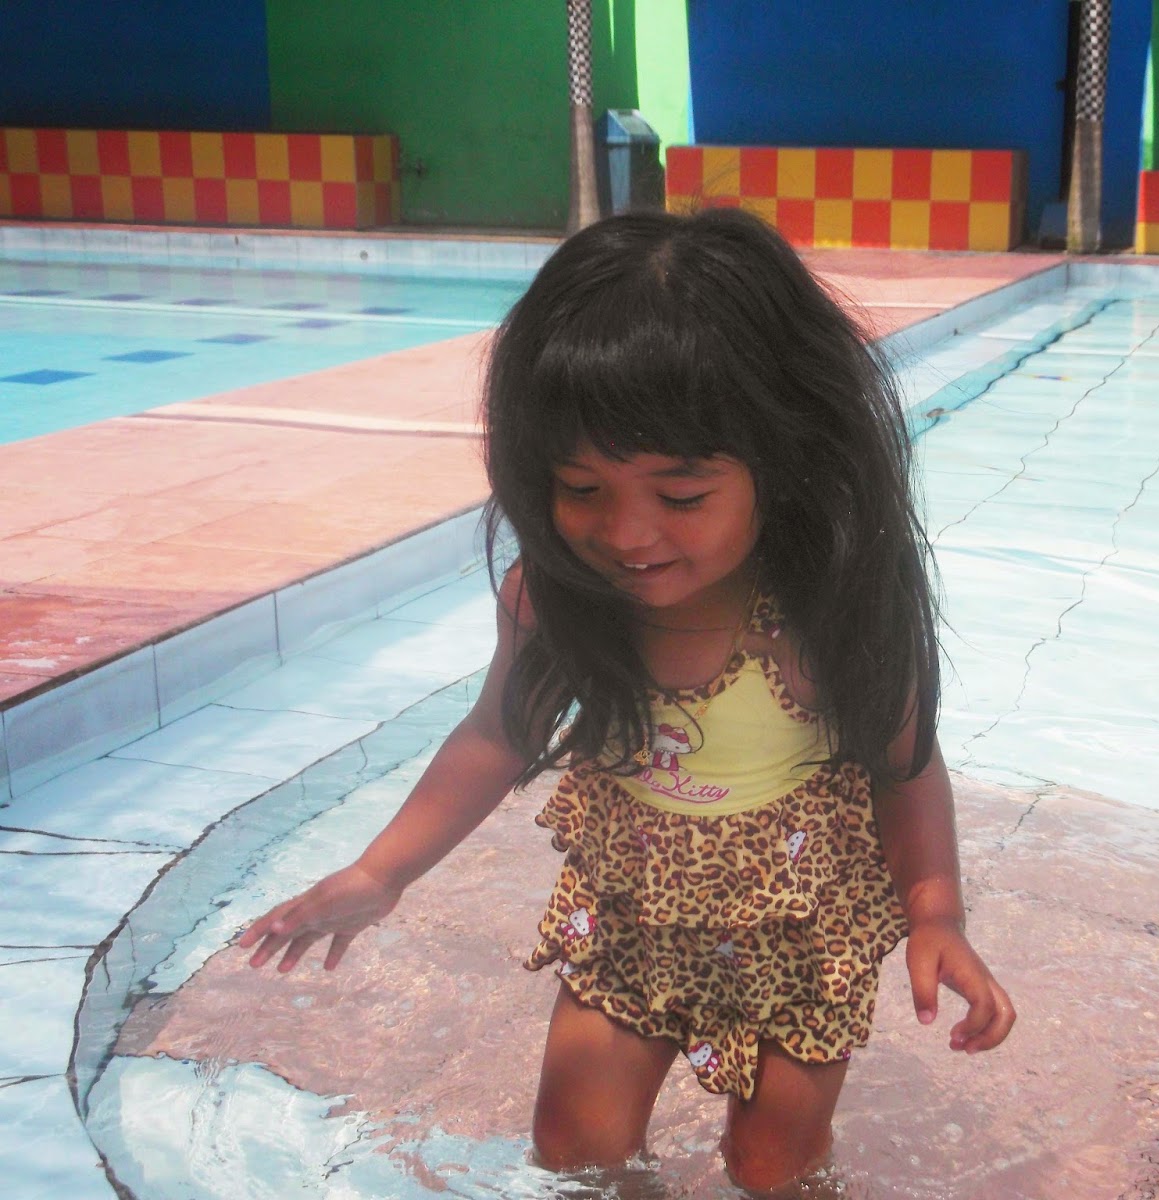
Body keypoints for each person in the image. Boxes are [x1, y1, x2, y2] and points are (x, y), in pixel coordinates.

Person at [238, 207, 1015, 1193]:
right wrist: (380, 873)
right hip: (631, 914)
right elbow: (497, 735)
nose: (627, 534)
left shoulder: (824, 615)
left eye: (680, 496)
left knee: (770, 1165)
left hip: (799, 925)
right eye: (581, 488)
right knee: (574, 1147)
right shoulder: (557, 599)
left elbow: (904, 769)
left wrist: (935, 913)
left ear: (781, 462)